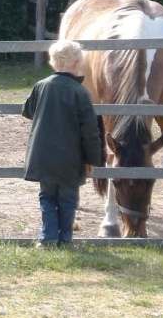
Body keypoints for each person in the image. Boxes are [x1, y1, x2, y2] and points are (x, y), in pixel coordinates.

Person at [22, 40, 103, 247]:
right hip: (71, 158)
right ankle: (65, 239)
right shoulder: (81, 92)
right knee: (68, 200)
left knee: (47, 197)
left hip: (43, 156)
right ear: (77, 63)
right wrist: (93, 159)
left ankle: (48, 237)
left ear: (52, 62)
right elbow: (90, 132)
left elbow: (28, 111)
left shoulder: (41, 86)